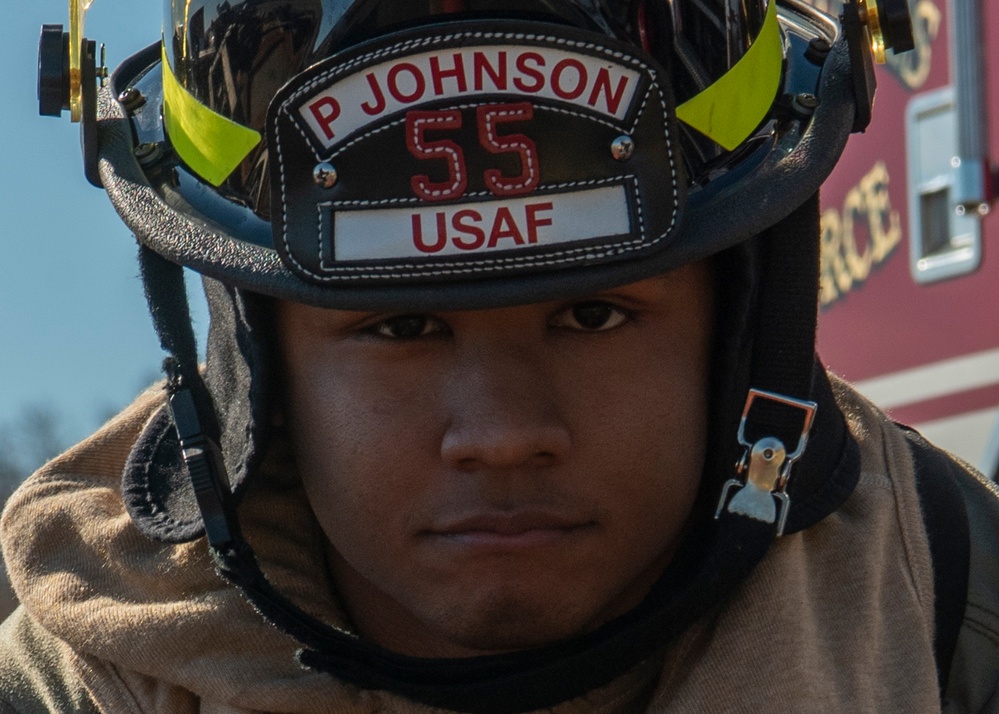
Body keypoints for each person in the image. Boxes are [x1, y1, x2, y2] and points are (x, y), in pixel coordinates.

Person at [1, 0, 997, 712]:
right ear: (252, 359)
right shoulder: (75, 684)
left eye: (595, 315)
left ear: (741, 323)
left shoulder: (956, 608)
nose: (506, 435)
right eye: (402, 327)